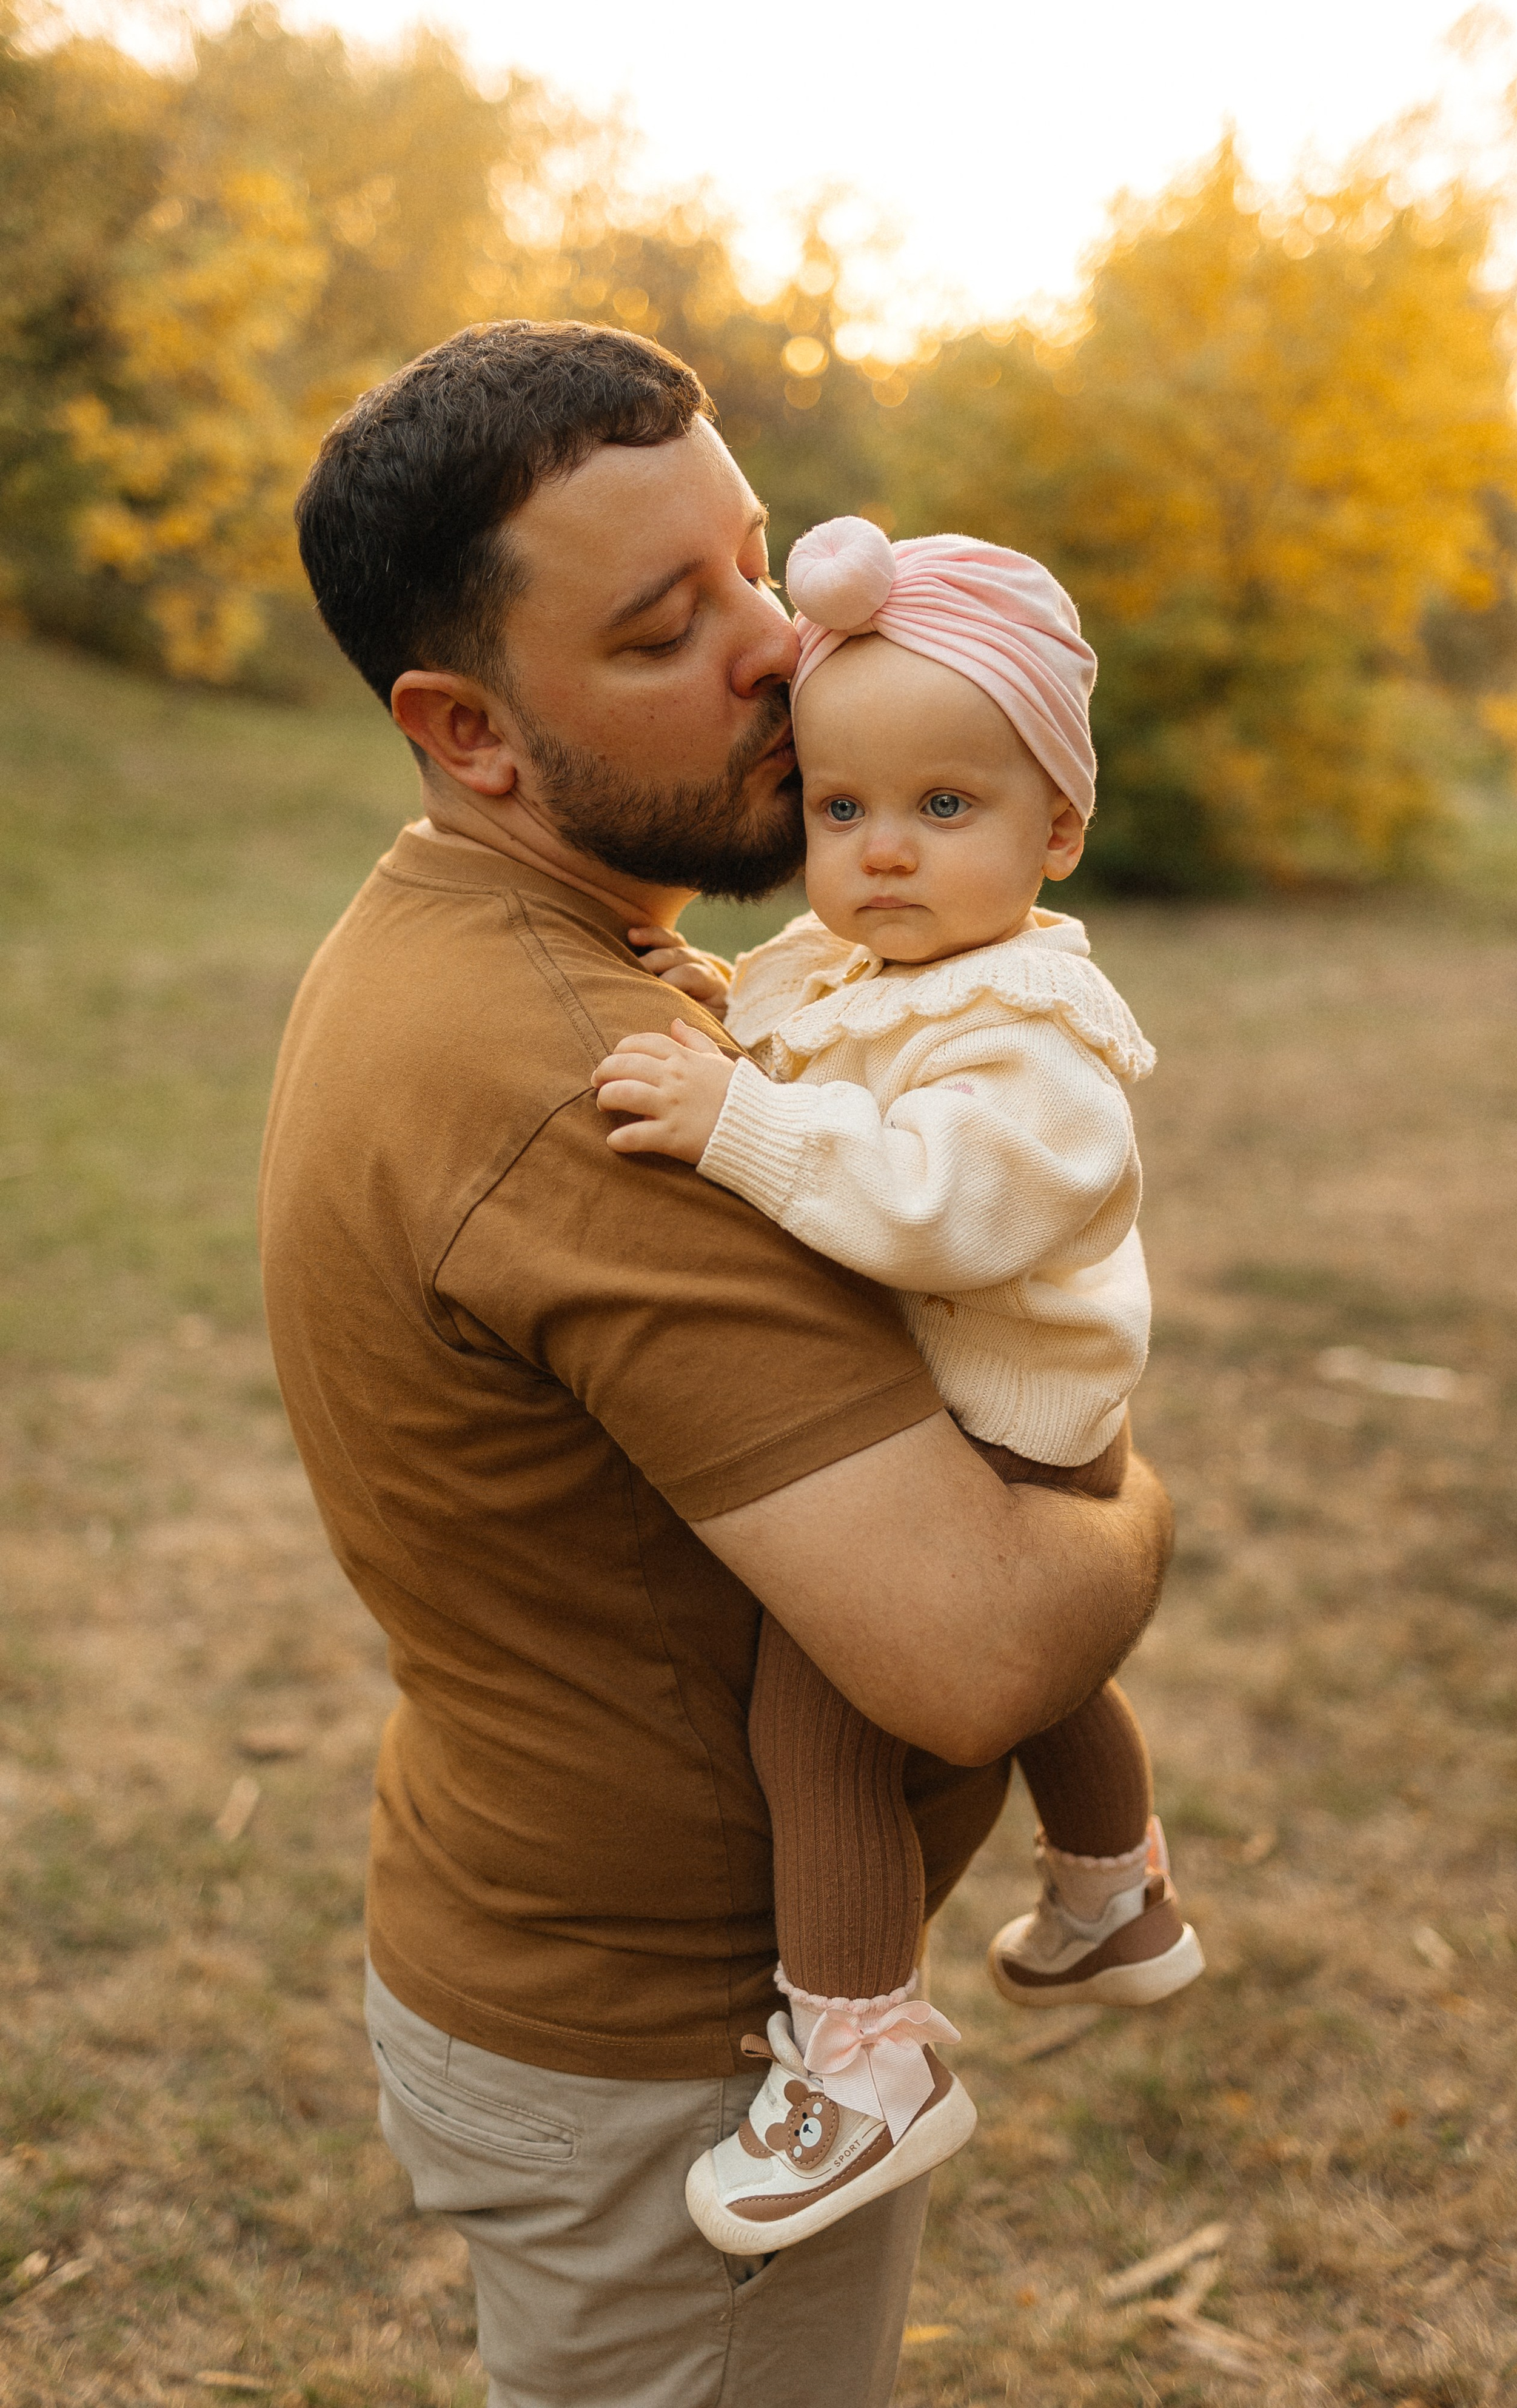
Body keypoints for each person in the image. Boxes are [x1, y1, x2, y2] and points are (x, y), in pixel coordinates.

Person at [260, 320, 1174, 2408]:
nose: (778, 649)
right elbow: (966, 1652)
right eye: (673, 626)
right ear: (470, 732)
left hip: (559, 1969)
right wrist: (1137, 1496)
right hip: (676, 2060)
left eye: (760, 565)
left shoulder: (506, 945)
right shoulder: (598, 1083)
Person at [592, 513, 1203, 2257]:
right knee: (1052, 1676)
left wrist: (743, 1127)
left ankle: (865, 2053)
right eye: (842, 810)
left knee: (823, 1711)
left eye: (947, 810)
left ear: (1057, 829)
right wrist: (704, 1006)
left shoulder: (1036, 1036)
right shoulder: (880, 965)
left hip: (1006, 1429)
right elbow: (787, 1019)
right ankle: (1115, 1892)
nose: (880, 857)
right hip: (1023, 1425)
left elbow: (936, 1196)